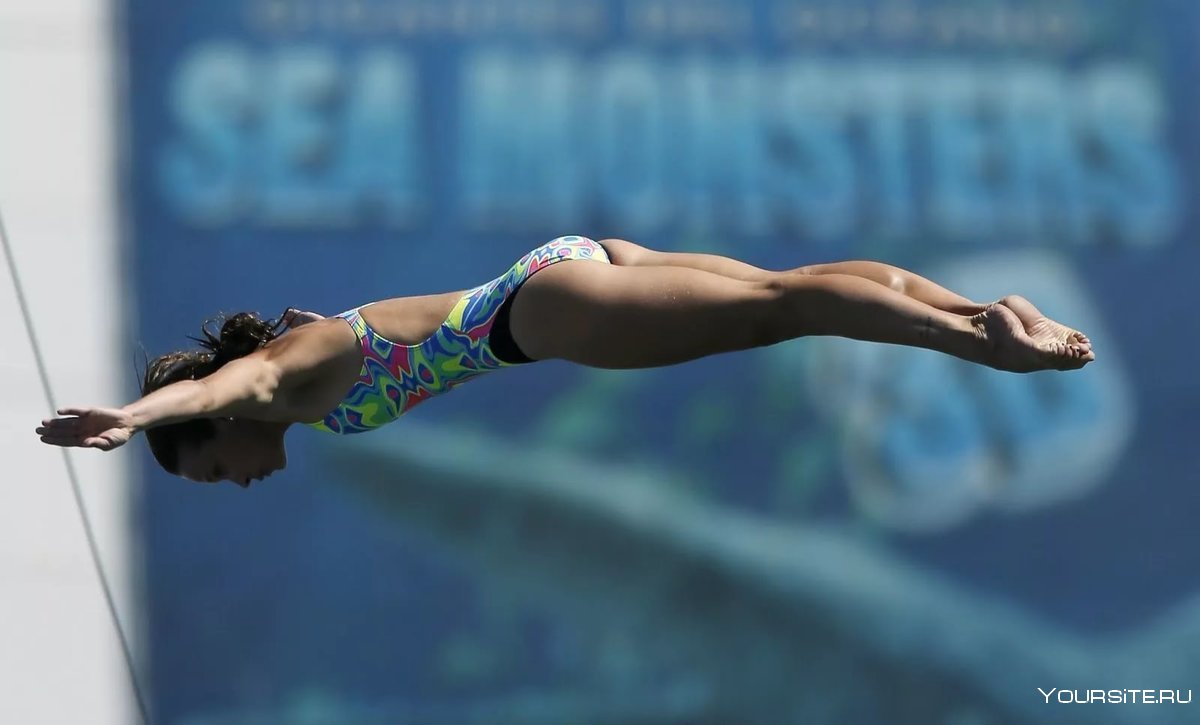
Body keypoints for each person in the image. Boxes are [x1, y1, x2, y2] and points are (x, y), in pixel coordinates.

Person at [35, 236, 1094, 488]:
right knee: (789, 286)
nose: (242, 482)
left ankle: (975, 341)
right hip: (558, 271)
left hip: (541, 315)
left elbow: (223, 384)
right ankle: (988, 314)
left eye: (218, 471)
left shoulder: (284, 375)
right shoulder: (307, 392)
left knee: (782, 312)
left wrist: (133, 415)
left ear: (217, 429)